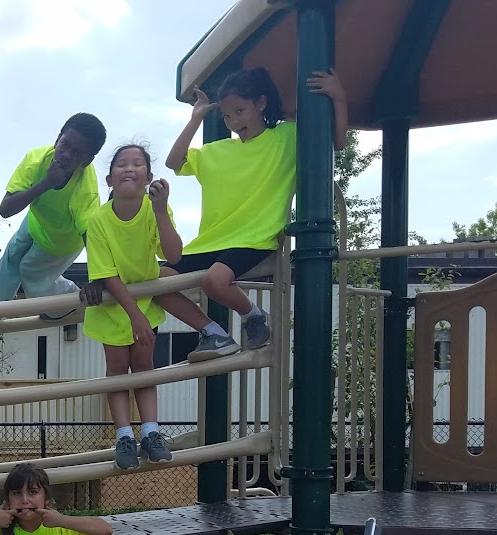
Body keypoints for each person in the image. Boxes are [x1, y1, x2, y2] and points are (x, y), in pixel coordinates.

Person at [165, 66, 347, 360]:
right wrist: (196, 118)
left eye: (240, 110)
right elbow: (174, 162)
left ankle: (253, 316)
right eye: (227, 116)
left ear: (260, 103)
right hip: (212, 240)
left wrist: (339, 99)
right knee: (158, 281)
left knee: (215, 282)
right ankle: (214, 333)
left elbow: (335, 144)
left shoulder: (287, 136)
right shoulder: (218, 150)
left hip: (254, 237)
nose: (234, 121)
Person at [79, 144, 200, 470]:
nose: (129, 168)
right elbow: (107, 274)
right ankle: (123, 436)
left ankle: (150, 432)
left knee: (144, 367)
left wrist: (161, 211)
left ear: (148, 177)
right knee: (118, 370)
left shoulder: (155, 209)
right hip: (113, 303)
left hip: (144, 300)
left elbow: (174, 255)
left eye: (137, 164)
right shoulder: (98, 220)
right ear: (109, 178)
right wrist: (135, 316)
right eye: (121, 164)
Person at [0, 114, 107, 330]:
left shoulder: (85, 190)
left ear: (86, 160)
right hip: (35, 223)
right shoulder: (35, 160)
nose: (66, 154)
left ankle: (67, 300)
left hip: (62, 242)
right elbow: (5, 209)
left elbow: (92, 236)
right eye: (64, 144)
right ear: (57, 139)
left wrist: (98, 280)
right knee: (11, 258)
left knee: (30, 272)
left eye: (76, 152)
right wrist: (46, 184)